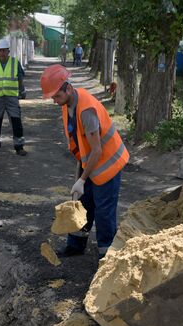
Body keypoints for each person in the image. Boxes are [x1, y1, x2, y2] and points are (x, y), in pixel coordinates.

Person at [40, 64, 130, 258]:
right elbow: (82, 145)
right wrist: (79, 176)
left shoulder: (86, 110)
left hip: (108, 164)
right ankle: (76, 246)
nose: (55, 102)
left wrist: (82, 180)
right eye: (53, 97)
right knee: (82, 204)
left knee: (104, 210)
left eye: (57, 96)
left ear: (68, 88)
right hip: (91, 163)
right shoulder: (68, 104)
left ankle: (107, 255)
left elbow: (97, 150)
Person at [0, 38, 27, 156]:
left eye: (4, 50)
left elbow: (20, 78)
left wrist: (22, 91)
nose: (1, 53)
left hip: (12, 97)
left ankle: (19, 147)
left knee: (16, 120)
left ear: (8, 51)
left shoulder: (14, 62)